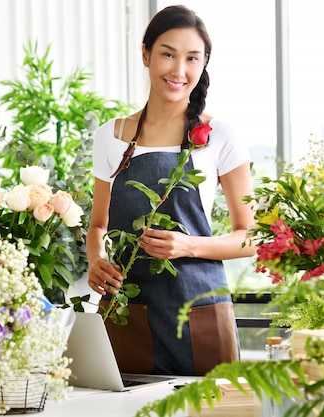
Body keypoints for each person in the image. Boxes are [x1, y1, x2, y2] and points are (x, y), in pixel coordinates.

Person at [86, 5, 256, 376]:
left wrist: (187, 245)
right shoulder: (111, 137)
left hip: (201, 309)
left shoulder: (219, 137)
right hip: (128, 310)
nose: (179, 71)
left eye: (192, 58)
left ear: (203, 63)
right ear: (145, 54)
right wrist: (96, 260)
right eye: (167, 54)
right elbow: (97, 225)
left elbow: (251, 237)